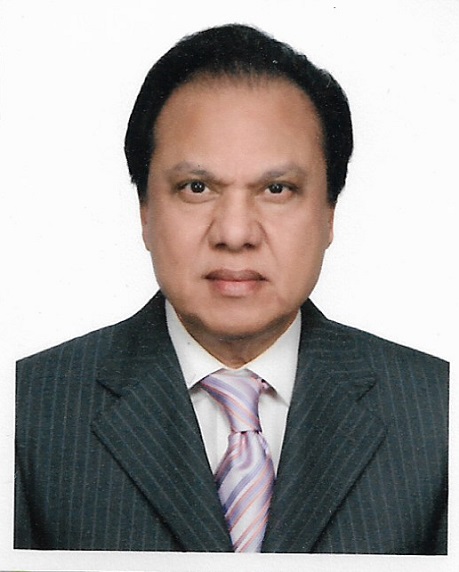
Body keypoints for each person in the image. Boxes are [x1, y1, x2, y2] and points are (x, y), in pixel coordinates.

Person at [15, 24, 448, 554]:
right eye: (196, 188)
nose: (236, 233)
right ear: (145, 211)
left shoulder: (438, 413)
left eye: (277, 189)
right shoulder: (26, 409)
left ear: (329, 213)